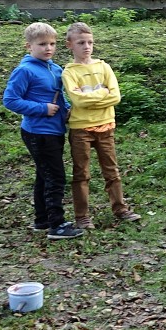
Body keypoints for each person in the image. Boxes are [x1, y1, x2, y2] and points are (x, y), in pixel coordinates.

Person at [2, 22, 79, 240]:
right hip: (38, 132)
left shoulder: (55, 68)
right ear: (29, 46)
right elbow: (10, 100)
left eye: (52, 44)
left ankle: (42, 219)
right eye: (42, 44)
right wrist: (41, 109)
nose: (48, 48)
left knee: (44, 175)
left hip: (54, 130)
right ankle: (57, 225)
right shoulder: (25, 70)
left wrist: (66, 110)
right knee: (55, 177)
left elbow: (58, 94)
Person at [61, 22, 140, 230]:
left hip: (106, 126)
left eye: (90, 42)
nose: (86, 47)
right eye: (81, 43)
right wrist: (102, 93)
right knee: (81, 173)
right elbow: (78, 101)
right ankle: (82, 217)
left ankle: (120, 209)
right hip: (80, 129)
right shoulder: (69, 72)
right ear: (69, 45)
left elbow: (116, 96)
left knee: (112, 170)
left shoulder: (104, 67)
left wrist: (94, 96)